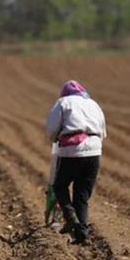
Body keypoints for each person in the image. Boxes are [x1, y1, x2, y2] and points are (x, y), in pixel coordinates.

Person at [46, 80, 107, 245]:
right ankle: (82, 233)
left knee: (59, 186)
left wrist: (55, 139)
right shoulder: (93, 104)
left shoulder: (63, 102)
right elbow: (103, 130)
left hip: (71, 151)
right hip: (94, 150)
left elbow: (52, 129)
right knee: (82, 194)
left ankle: (70, 216)